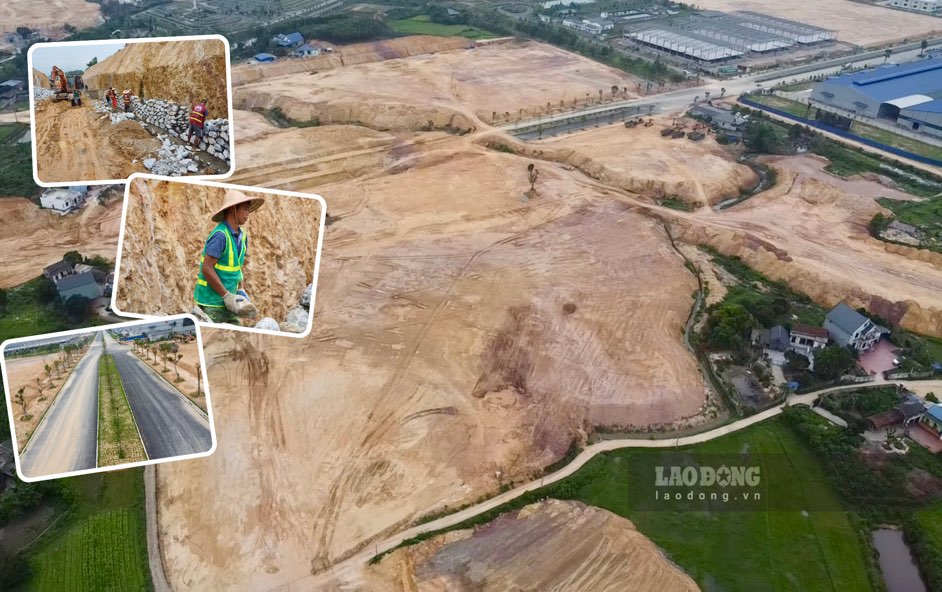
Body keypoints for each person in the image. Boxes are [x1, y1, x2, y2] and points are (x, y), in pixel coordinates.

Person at [193, 189, 265, 324]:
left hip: (230, 304)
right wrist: (226, 295)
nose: (247, 214)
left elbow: (238, 267)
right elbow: (207, 269)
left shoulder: (242, 236)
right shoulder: (220, 236)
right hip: (212, 304)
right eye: (244, 209)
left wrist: (241, 290)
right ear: (233, 209)